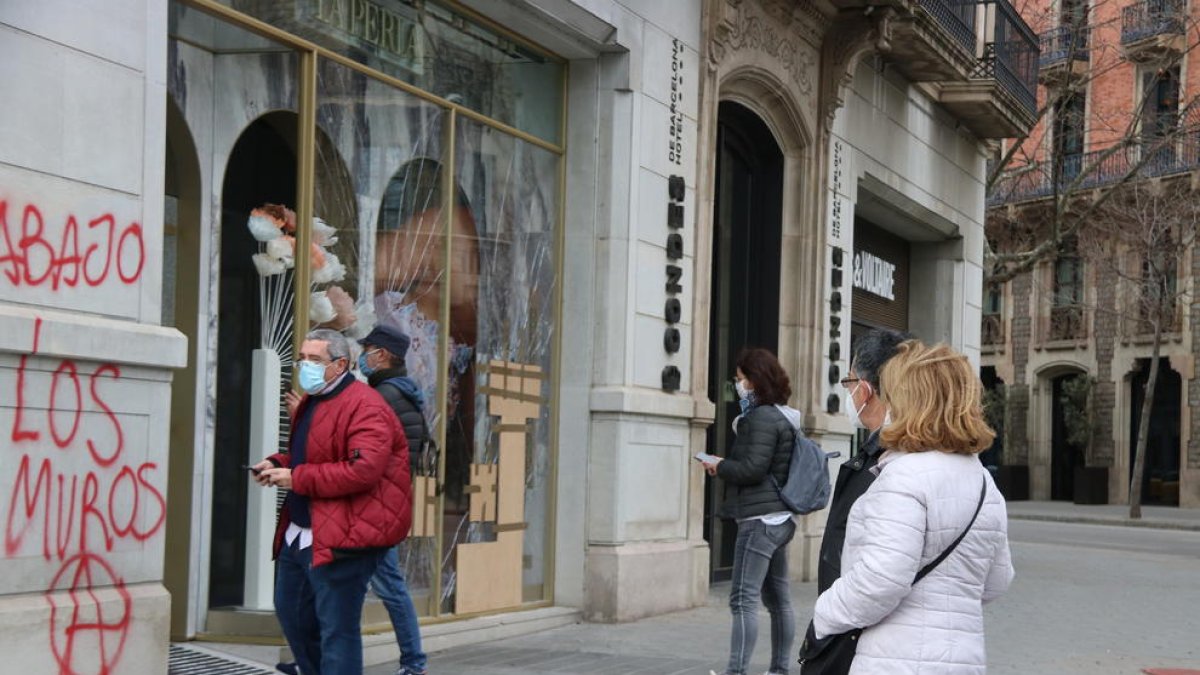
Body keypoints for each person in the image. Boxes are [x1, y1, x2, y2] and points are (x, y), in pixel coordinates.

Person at [810, 341, 1014, 674]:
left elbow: (879, 582)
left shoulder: (902, 476)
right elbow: (998, 579)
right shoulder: (982, 481)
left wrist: (825, 614)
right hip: (962, 660)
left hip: (894, 659)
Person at [253, 329, 412, 675]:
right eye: (302, 358)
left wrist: (297, 478)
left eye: (314, 360)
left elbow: (362, 470)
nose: (304, 366)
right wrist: (279, 464)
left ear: (340, 364)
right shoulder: (316, 399)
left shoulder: (366, 406)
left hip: (344, 535)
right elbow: (313, 453)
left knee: (336, 629)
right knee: (293, 615)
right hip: (301, 532)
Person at [701, 348, 801, 675]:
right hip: (779, 518)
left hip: (760, 520)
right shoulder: (783, 417)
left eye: (741, 379)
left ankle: (736, 671)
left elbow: (753, 469)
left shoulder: (760, 419)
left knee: (743, 599)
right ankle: (779, 670)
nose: (737, 385)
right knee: (778, 600)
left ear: (755, 381)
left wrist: (720, 465)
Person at [358, 324, 430, 675]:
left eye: (367, 349)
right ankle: (325, 659)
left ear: (382, 355)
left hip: (377, 508)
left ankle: (414, 664)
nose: (363, 356)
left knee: (388, 585)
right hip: (387, 504)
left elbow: (372, 457)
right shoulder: (402, 392)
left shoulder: (386, 396)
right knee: (348, 588)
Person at [818, 328, 910, 593]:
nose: (848, 393)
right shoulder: (967, 467)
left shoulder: (889, 464)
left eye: (849, 383)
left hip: (865, 625)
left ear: (865, 390)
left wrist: (829, 617)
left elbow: (879, 579)